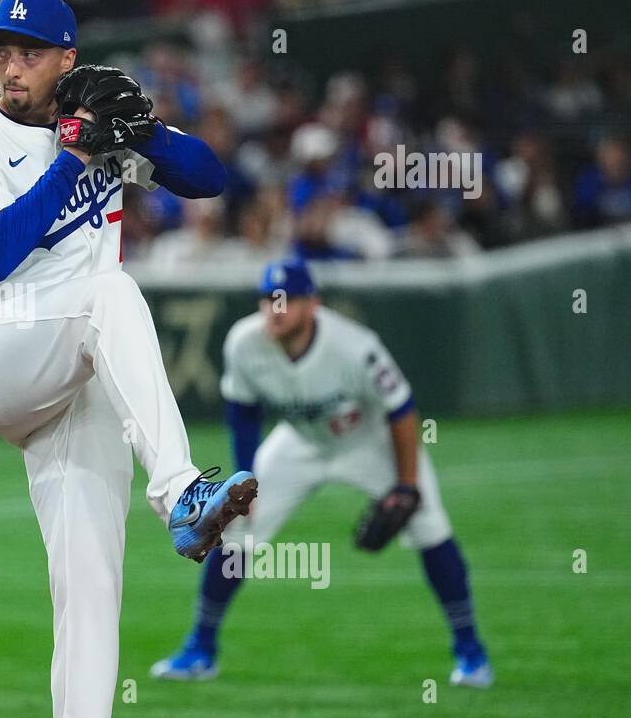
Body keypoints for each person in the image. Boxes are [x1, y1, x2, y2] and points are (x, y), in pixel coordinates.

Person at [0, 0, 257, 718]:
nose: (11, 65)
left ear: (67, 59)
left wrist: (143, 132)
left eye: (30, 52)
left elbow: (211, 178)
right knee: (110, 290)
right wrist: (77, 155)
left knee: (89, 584)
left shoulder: (100, 119)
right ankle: (180, 492)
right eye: (2, 49)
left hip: (72, 372)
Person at [150, 258, 493, 688]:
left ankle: (470, 652)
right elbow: (244, 413)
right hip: (300, 441)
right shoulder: (244, 343)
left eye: (287, 300)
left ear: (312, 304)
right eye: (268, 300)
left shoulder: (355, 346)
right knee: (236, 533)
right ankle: (201, 649)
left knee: (430, 529)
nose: (276, 310)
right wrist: (246, 481)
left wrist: (407, 485)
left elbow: (402, 412)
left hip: (368, 440)